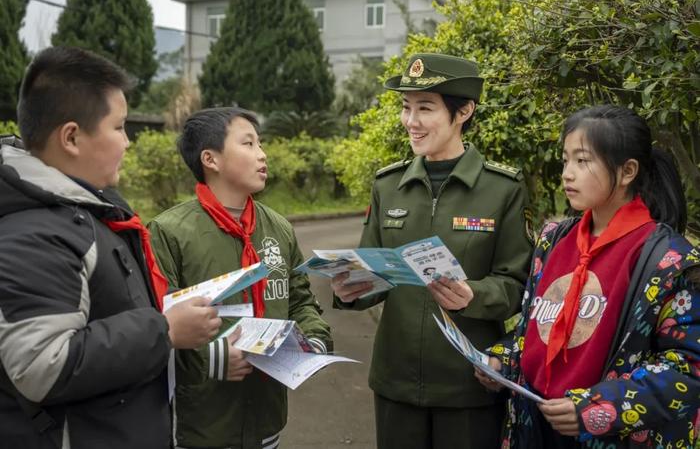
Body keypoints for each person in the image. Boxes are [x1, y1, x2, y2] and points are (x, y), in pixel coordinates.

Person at [0, 46, 221, 449]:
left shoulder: (87, 208)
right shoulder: (33, 232)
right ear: (71, 137)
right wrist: (165, 329)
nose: (128, 142)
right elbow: (41, 366)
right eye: (119, 128)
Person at [331, 53, 533, 449]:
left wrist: (475, 295)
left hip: (469, 384)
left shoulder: (503, 190)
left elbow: (518, 283)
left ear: (464, 111)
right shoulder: (388, 185)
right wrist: (350, 289)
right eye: (406, 108)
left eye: (425, 108)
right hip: (396, 383)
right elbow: (373, 270)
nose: (411, 121)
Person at [477, 105, 700, 448]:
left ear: (627, 171)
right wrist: (502, 361)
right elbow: (534, 332)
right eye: (566, 159)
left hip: (613, 436)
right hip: (536, 427)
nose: (567, 173)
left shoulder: (670, 260)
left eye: (582, 161)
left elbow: (688, 368)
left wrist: (598, 408)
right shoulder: (554, 241)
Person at [148, 107, 332, 449]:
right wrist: (211, 357)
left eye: (260, 143)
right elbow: (156, 325)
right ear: (210, 159)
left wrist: (314, 341)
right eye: (248, 144)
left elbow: (300, 299)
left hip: (267, 417)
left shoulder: (277, 227)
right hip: (203, 424)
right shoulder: (169, 232)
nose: (262, 154)